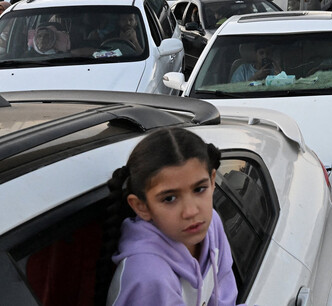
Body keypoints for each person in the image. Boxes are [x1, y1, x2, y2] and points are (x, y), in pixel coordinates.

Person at [99, 127, 240, 306]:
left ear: (212, 181)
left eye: (199, 189)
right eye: (169, 198)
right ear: (141, 207)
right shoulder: (148, 276)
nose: (191, 211)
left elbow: (224, 299)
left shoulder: (212, 224)